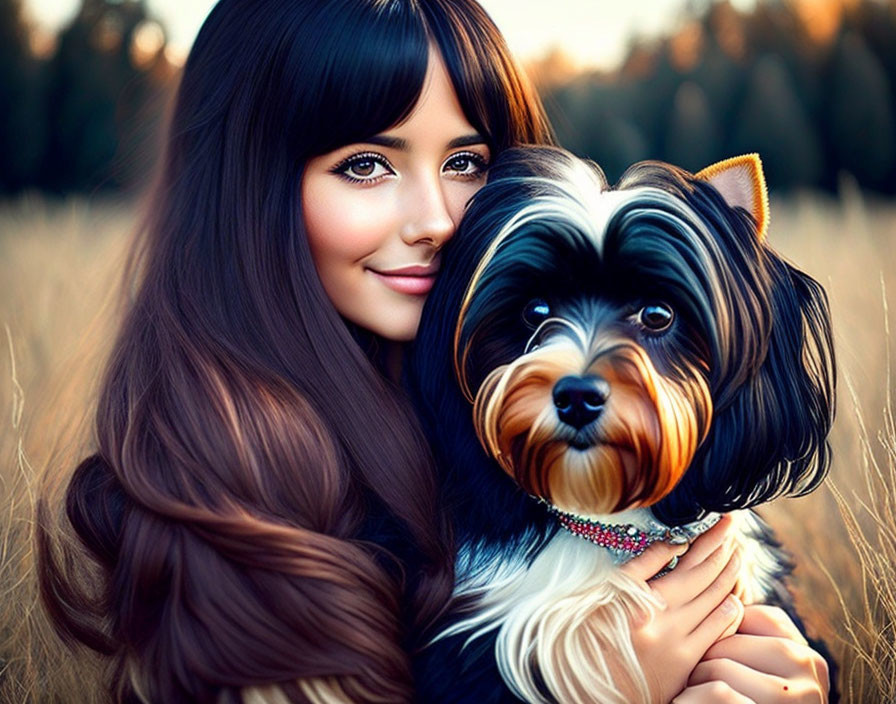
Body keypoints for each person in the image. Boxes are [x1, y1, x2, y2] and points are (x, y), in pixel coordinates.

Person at [35, 0, 829, 702]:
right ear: (247, 192)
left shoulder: (473, 407)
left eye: (466, 163)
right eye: (366, 164)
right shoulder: (219, 497)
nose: (438, 221)